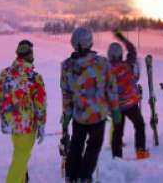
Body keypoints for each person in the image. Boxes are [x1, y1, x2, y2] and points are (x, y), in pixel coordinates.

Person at [61, 27, 119, 183]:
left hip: (79, 115)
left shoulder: (67, 66)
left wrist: (67, 114)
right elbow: (111, 89)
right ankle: (84, 177)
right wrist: (115, 109)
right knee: (94, 146)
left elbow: (66, 93)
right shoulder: (102, 64)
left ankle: (71, 176)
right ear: (90, 42)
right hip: (97, 116)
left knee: (76, 144)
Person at [0, 39, 47, 183]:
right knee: (21, 158)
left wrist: (5, 114)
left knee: (19, 154)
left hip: (11, 124)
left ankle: (22, 179)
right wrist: (41, 124)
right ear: (29, 54)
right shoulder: (34, 77)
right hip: (26, 126)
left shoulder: (5, 73)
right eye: (32, 52)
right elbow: (40, 104)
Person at [108, 29, 149, 160]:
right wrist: (122, 38)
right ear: (121, 54)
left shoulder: (106, 70)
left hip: (116, 107)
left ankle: (117, 157)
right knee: (139, 125)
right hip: (131, 104)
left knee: (117, 132)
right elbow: (132, 50)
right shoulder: (128, 65)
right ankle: (140, 151)